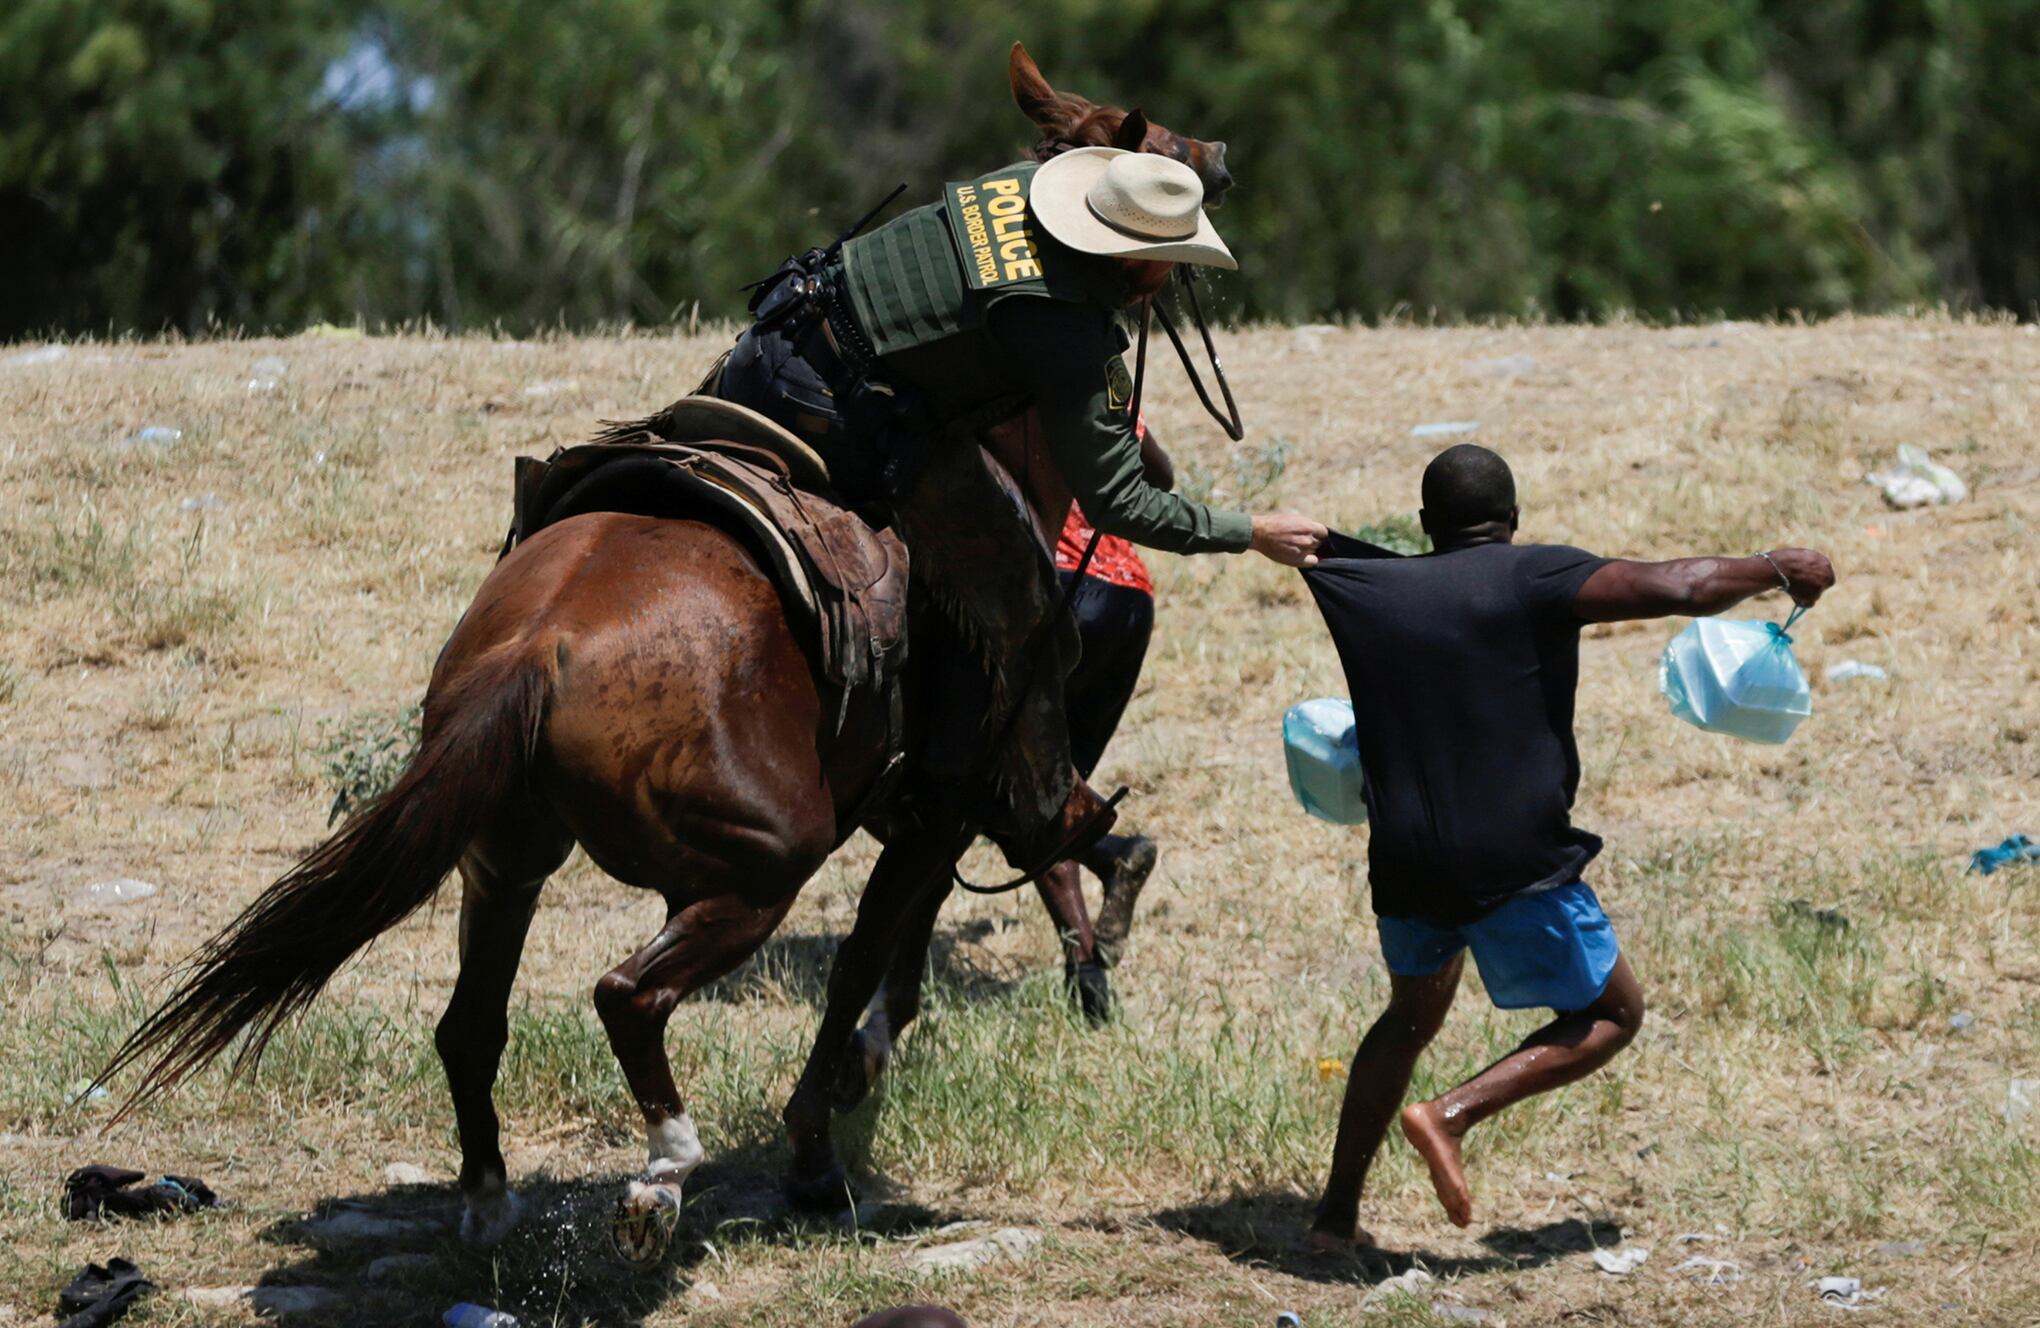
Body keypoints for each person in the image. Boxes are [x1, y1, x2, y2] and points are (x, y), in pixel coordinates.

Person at [709, 149, 1326, 873]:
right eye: (1171, 260)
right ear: (1141, 263)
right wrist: (1249, 532)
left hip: (772, 335)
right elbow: (1121, 499)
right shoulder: (1067, 330)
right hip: (836, 410)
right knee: (1030, 617)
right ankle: (1036, 811)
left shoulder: (1024, 185)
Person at [1297, 443, 1834, 1248]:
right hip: (1513, 858)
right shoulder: (1534, 576)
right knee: (1613, 1012)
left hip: (1405, 857)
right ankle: (1451, 1115)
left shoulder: (1371, 586)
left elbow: (1316, 546)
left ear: (1424, 524)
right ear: (1512, 523)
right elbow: (1683, 586)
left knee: (1409, 1018)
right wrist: (1775, 566)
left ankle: (1335, 1216)